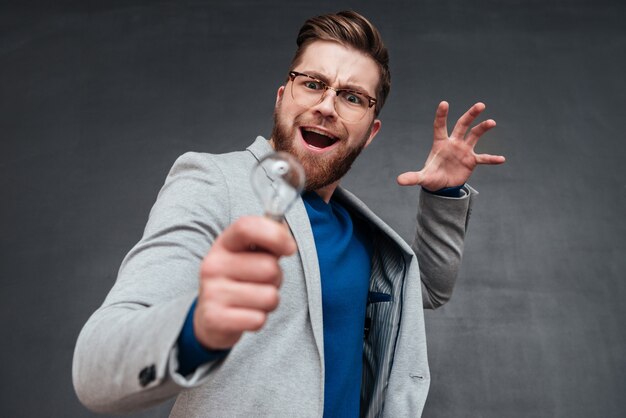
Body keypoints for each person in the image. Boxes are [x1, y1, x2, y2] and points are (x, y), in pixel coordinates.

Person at [72, 10, 505, 417]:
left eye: (352, 97)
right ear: (283, 98)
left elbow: (424, 289)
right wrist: (197, 327)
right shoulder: (212, 182)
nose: (327, 106)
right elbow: (96, 367)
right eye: (313, 84)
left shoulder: (357, 233)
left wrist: (445, 193)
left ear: (370, 132)